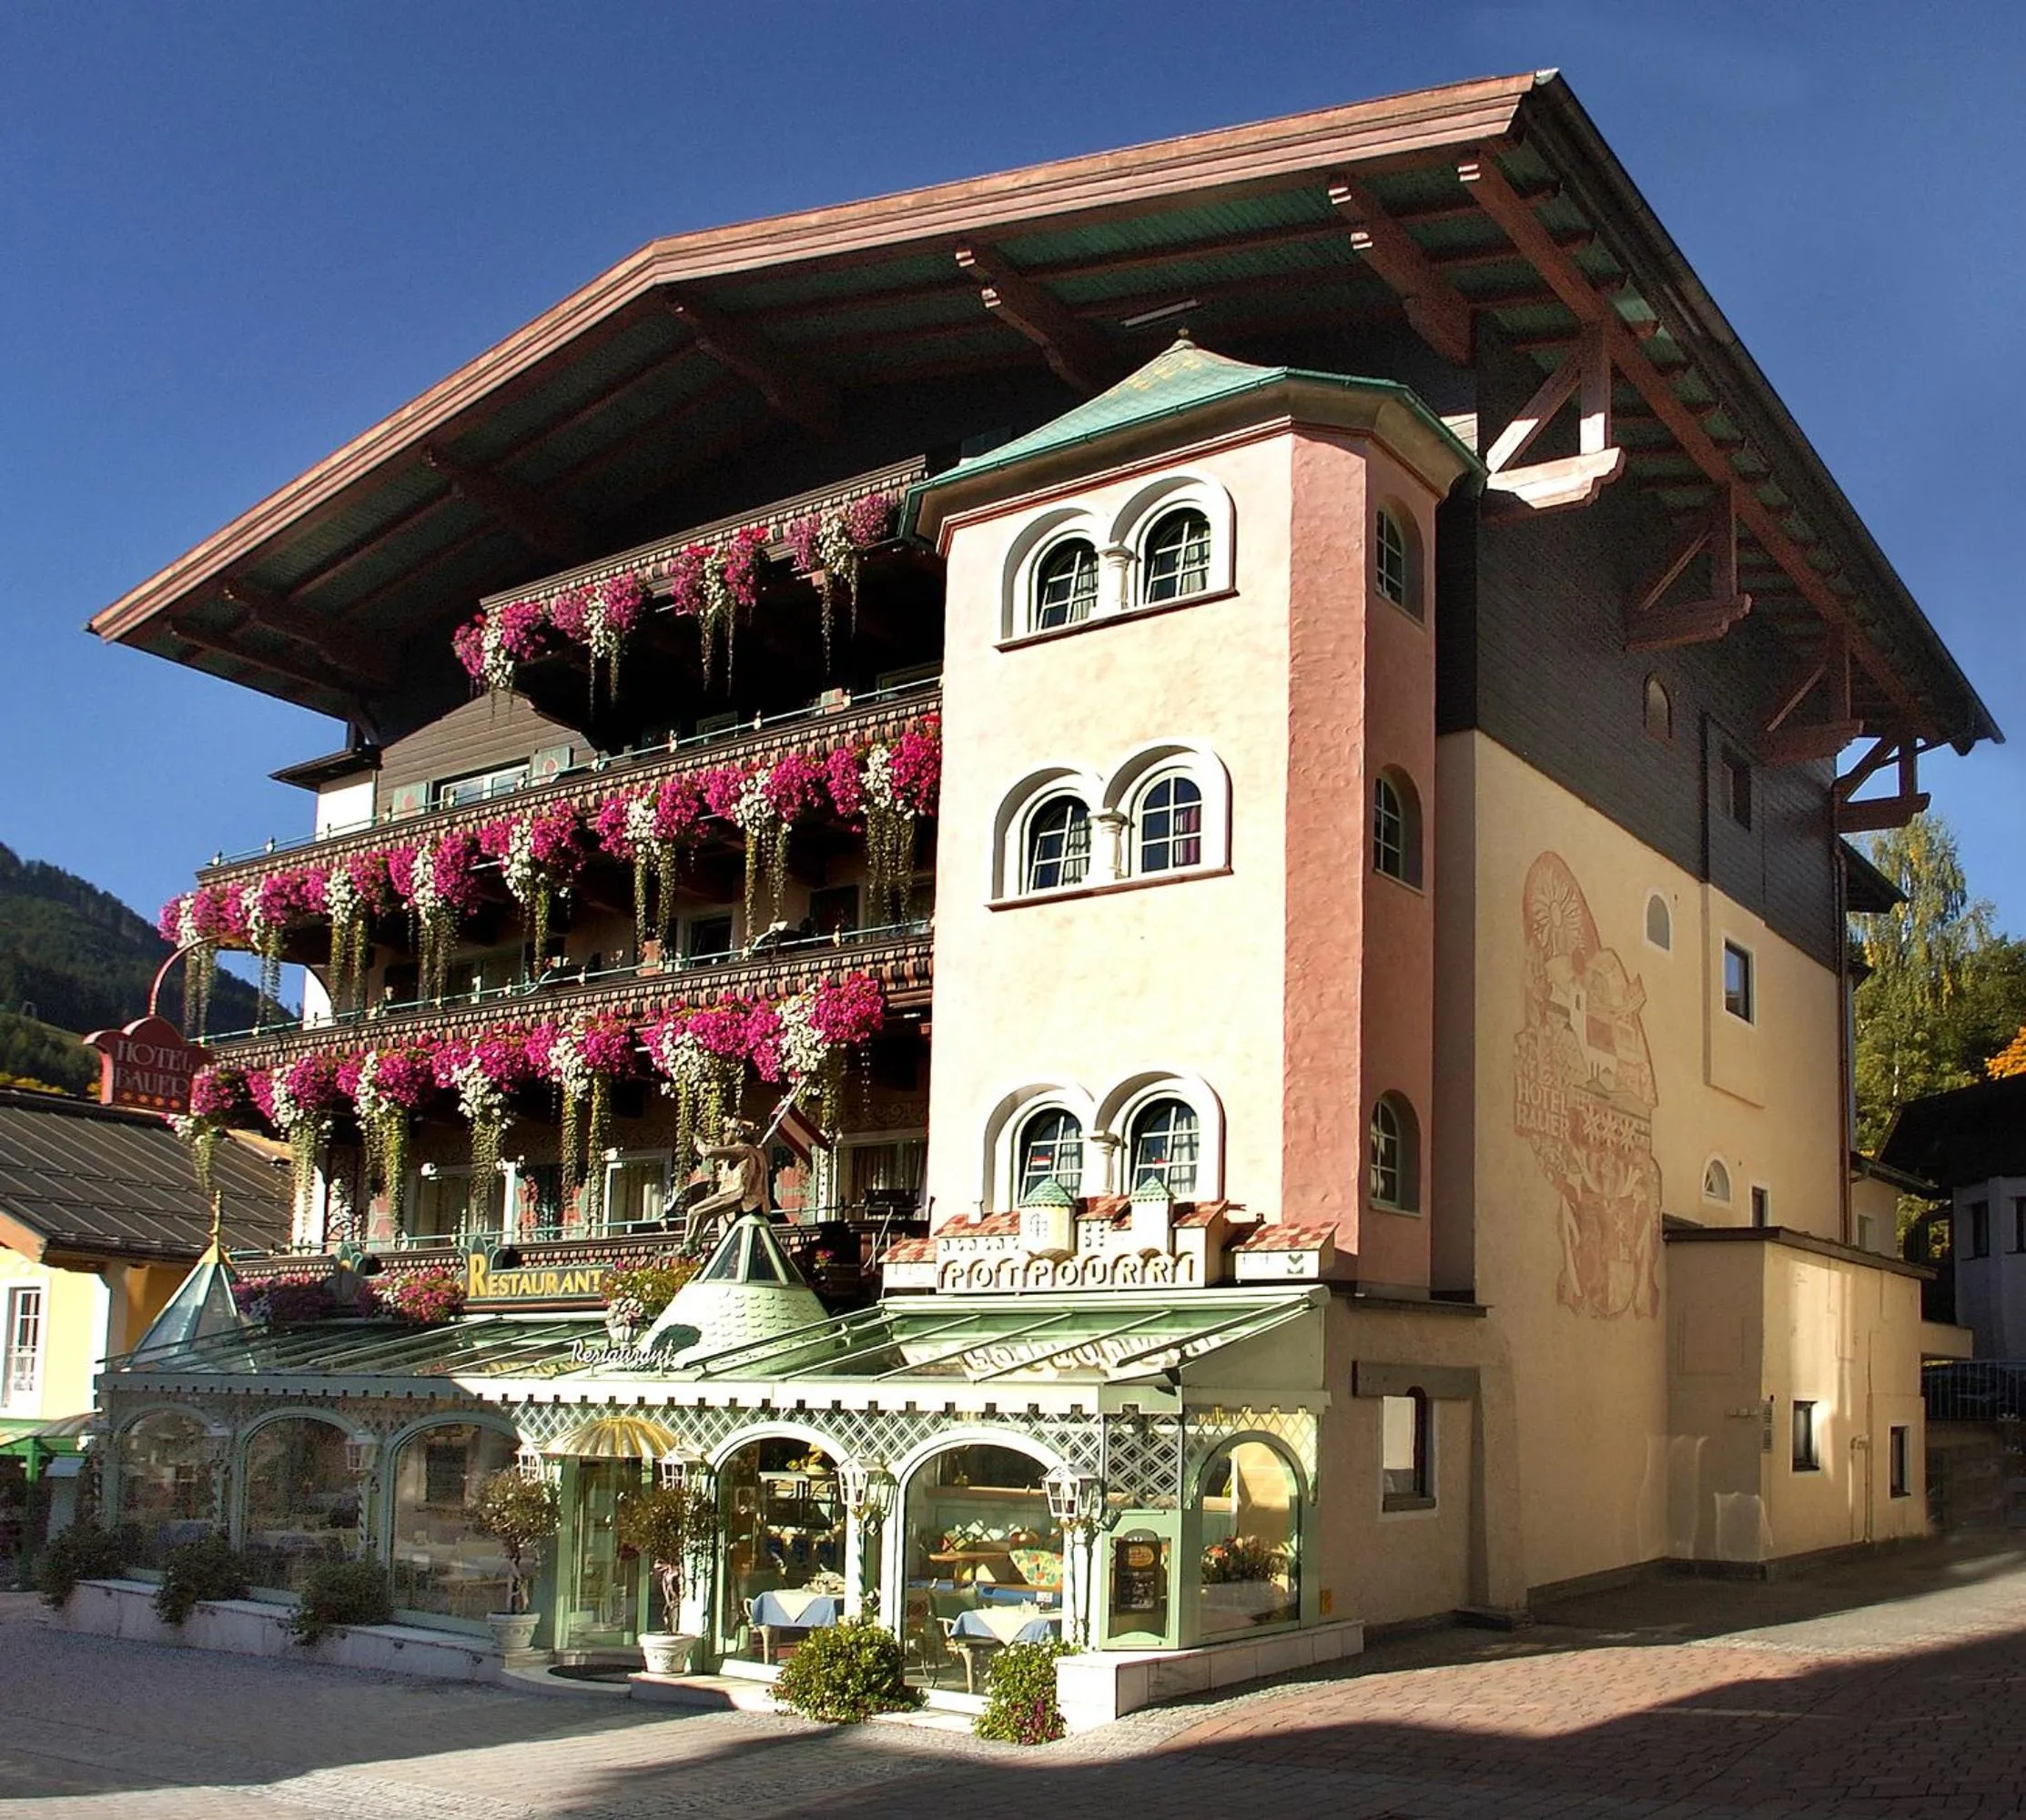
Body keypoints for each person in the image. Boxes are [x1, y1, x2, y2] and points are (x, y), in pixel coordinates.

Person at [684, 1120, 768, 1248]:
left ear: (738, 1133)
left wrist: (697, 1141)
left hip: (738, 1193)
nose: (726, 1134)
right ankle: (702, 1245)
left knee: (694, 1211)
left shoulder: (742, 1149)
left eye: (729, 1131)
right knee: (711, 1216)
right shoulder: (758, 1152)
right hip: (755, 1199)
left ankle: (688, 1246)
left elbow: (707, 1151)